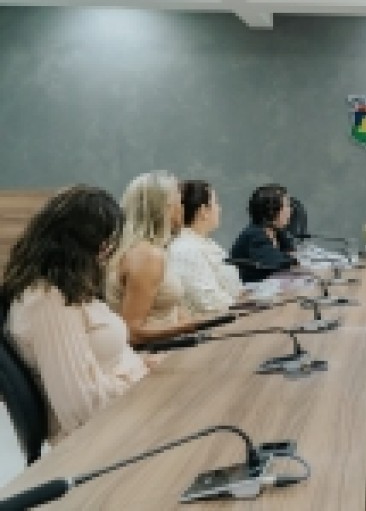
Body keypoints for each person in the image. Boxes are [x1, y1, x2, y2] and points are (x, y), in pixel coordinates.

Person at [2, 186, 151, 442]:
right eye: (104, 241)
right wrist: (138, 374)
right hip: (98, 439)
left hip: (121, 416)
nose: (107, 251)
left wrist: (139, 365)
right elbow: (81, 410)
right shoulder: (48, 301)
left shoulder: (70, 289)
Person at [106, 171, 200, 345]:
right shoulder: (146, 256)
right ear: (165, 208)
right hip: (154, 354)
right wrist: (188, 327)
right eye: (179, 202)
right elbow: (131, 332)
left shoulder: (149, 250)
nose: (183, 208)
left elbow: (170, 310)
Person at [167, 180, 242, 313]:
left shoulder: (206, 242)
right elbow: (209, 302)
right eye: (216, 203)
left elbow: (233, 289)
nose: (220, 209)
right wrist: (245, 304)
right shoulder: (185, 250)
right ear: (203, 211)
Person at [230, 185, 299, 282]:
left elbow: (293, 254)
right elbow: (281, 265)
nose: (291, 210)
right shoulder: (255, 236)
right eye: (287, 206)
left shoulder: (277, 231)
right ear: (271, 211)